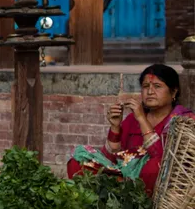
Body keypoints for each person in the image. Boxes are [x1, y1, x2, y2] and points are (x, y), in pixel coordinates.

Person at [67, 64, 194, 195]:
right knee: (78, 161)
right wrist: (115, 127)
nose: (150, 92)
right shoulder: (132, 119)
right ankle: (109, 201)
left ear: (173, 92)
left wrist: (141, 119)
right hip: (124, 180)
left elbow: (163, 159)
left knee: (154, 166)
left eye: (157, 86)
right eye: (145, 87)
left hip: (161, 186)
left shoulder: (183, 120)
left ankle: (135, 206)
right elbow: (111, 159)